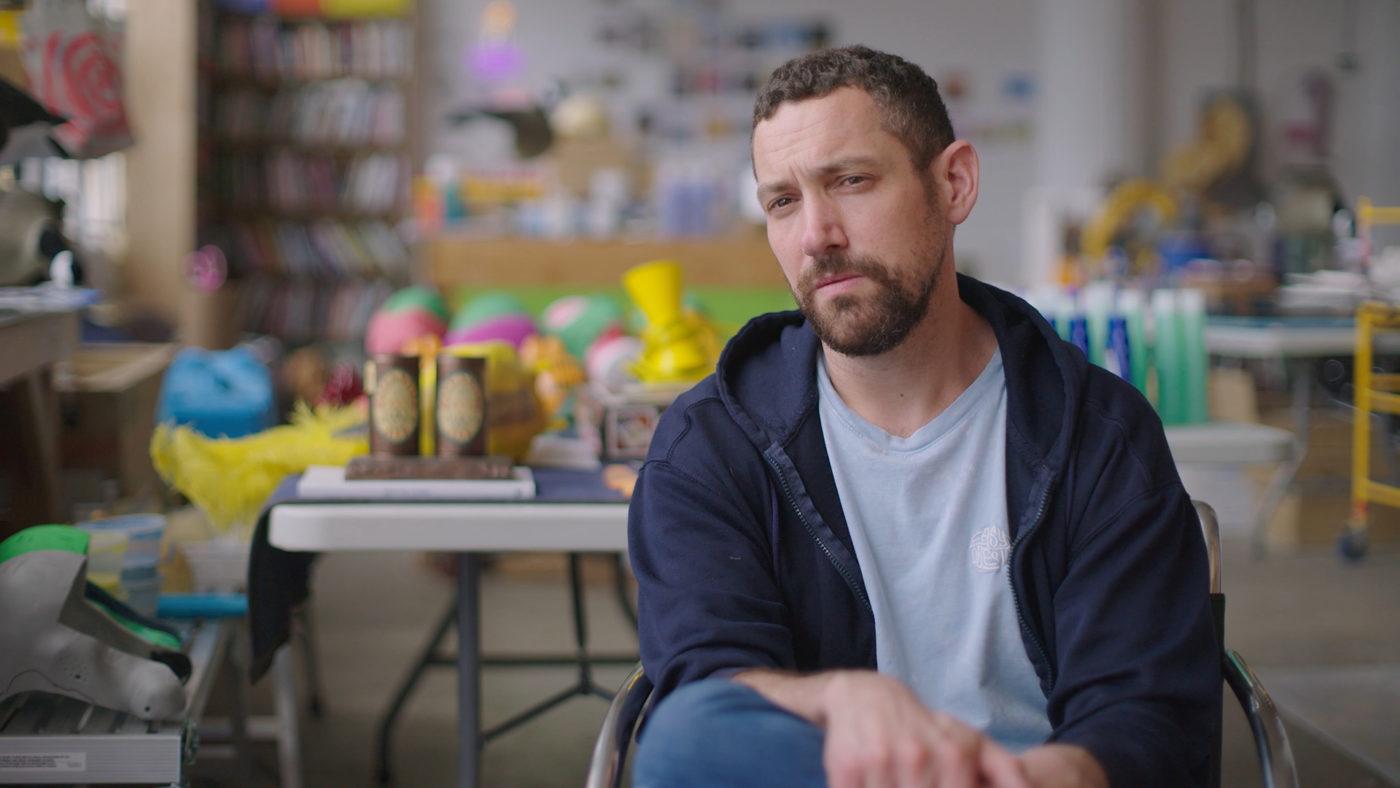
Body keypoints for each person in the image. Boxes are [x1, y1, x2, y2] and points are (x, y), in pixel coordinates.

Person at [627, 45, 1220, 788]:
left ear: (953, 184)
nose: (816, 235)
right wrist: (833, 700)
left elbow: (1144, 714)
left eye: (851, 181)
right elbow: (707, 683)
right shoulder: (710, 444)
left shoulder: (1098, 433)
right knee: (684, 739)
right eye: (782, 202)